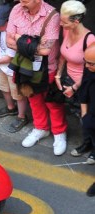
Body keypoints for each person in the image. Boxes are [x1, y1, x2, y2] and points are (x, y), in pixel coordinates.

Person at [7, 0, 67, 155]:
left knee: (52, 102)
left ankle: (59, 133)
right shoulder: (16, 9)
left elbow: (46, 51)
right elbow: (8, 41)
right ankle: (41, 128)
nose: (21, 2)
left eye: (25, 0)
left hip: (47, 67)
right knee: (33, 99)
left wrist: (19, 37)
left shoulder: (52, 15)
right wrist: (36, 43)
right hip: (25, 66)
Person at [58, 1, 94, 158]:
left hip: (84, 85)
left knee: (88, 118)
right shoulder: (67, 31)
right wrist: (59, 75)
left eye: (64, 22)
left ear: (76, 21)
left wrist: (74, 87)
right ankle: (87, 143)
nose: (60, 24)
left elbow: (89, 71)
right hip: (68, 81)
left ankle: (92, 147)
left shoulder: (90, 39)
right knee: (79, 115)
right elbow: (63, 55)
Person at [0, 3, 30, 133]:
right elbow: (4, 47)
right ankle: (10, 107)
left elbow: (10, 57)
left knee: (18, 94)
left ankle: (22, 116)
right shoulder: (3, 31)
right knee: (3, 88)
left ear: (10, 20)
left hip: (12, 69)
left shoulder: (13, 34)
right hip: (3, 68)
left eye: (1, 23)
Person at [81, 45, 95, 197]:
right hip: (91, 117)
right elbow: (84, 90)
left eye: (91, 63)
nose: (87, 66)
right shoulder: (89, 70)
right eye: (86, 62)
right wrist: (85, 115)